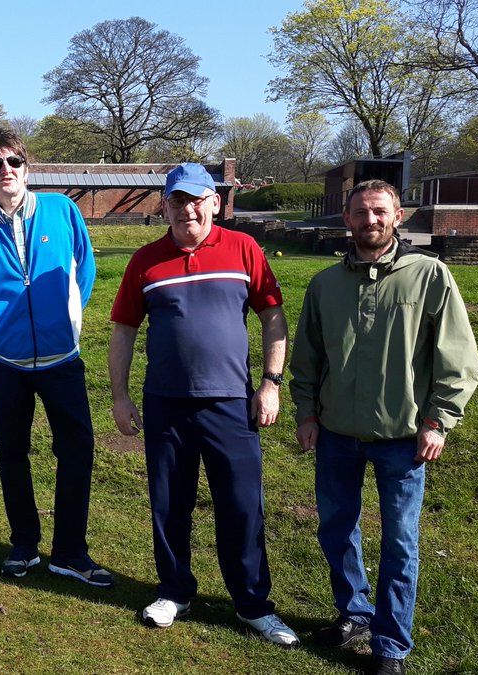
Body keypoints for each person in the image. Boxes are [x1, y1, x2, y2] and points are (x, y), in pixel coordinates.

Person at [290, 179, 478, 675]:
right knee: (336, 529)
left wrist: (439, 420)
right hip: (335, 435)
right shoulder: (324, 285)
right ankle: (353, 613)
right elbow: (307, 359)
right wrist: (306, 413)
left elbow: (457, 360)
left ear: (398, 216)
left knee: (400, 541)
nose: (369, 220)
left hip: (404, 440)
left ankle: (390, 644)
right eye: (360, 212)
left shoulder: (429, 276)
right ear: (347, 219)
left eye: (379, 211)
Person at [108, 162, 299, 646]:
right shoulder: (145, 261)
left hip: (232, 403)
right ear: (165, 205)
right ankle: (174, 591)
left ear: (215, 201)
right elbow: (124, 330)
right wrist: (121, 395)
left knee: (241, 507)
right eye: (177, 200)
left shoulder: (244, 249)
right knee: (170, 504)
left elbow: (273, 318)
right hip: (166, 404)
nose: (186, 209)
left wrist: (271, 383)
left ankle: (253, 605)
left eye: (196, 199)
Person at [0, 129, 110, 587]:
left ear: (28, 167)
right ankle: (24, 544)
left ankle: (69, 552)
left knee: (77, 451)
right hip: (7, 364)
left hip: (63, 359)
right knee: (12, 453)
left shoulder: (62, 211)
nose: (6, 170)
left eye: (14, 162)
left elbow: (86, 268)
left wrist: (67, 316)